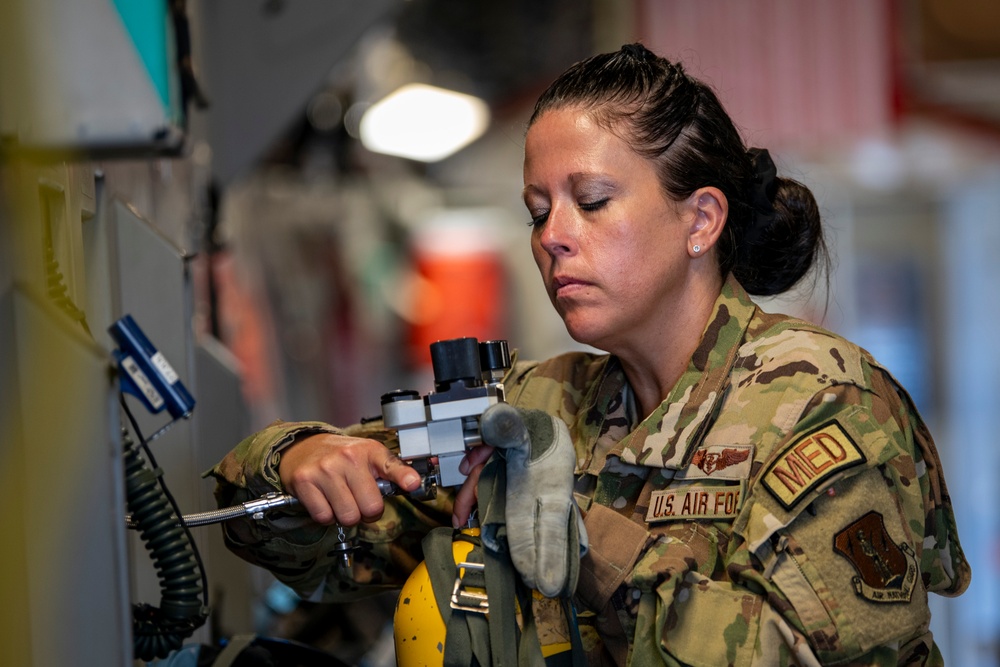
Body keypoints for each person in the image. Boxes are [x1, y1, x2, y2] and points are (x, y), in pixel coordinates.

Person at [208, 43, 970, 665]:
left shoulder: (817, 399)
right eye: (538, 212)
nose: (552, 237)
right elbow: (298, 535)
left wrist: (583, 538)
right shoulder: (535, 406)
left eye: (592, 202)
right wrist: (299, 460)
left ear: (700, 219)